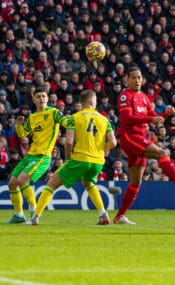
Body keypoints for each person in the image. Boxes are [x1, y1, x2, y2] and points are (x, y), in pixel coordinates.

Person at [113, 66, 175, 225]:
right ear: (127, 79)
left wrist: (166, 114)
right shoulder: (125, 96)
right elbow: (127, 119)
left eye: (139, 77)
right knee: (161, 153)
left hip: (139, 138)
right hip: (129, 136)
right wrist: (150, 120)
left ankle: (120, 216)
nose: (137, 80)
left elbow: (156, 118)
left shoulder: (145, 98)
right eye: (133, 77)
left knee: (135, 182)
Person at [27, 90, 117, 225]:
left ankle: (35, 218)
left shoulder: (74, 118)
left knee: (51, 184)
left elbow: (69, 141)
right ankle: (103, 214)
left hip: (80, 158)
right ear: (93, 102)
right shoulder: (105, 120)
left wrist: (68, 158)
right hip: (98, 161)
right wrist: (102, 150)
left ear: (81, 103)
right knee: (88, 183)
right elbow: (113, 143)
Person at [7, 88, 69, 224]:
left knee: (23, 180)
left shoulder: (53, 113)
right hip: (30, 155)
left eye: (44, 96)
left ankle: (35, 214)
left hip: (43, 155)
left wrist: (71, 122)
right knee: (12, 183)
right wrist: (19, 125)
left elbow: (65, 122)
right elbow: (22, 134)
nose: (41, 99)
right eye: (38, 97)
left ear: (47, 99)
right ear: (34, 99)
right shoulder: (33, 117)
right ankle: (19, 215)